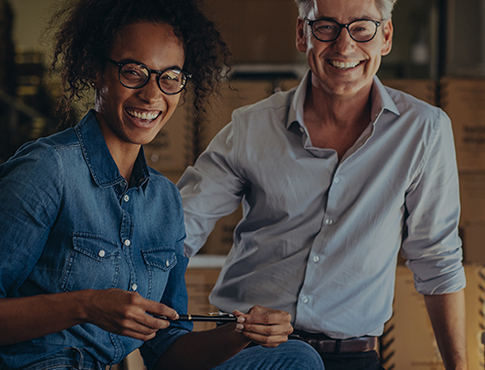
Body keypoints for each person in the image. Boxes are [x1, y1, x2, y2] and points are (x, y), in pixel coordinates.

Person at [0, 1, 325, 369]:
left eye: (169, 77)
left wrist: (242, 333)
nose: (153, 95)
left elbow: (168, 350)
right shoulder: (47, 170)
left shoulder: (164, 200)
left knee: (295, 357)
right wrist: (85, 305)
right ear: (95, 71)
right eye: (133, 72)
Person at [177, 0, 468, 369]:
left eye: (362, 28)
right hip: (251, 354)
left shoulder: (424, 131)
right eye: (326, 27)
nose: (344, 47)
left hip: (352, 359)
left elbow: (437, 259)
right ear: (303, 34)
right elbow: (178, 232)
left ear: (386, 36)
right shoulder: (252, 128)